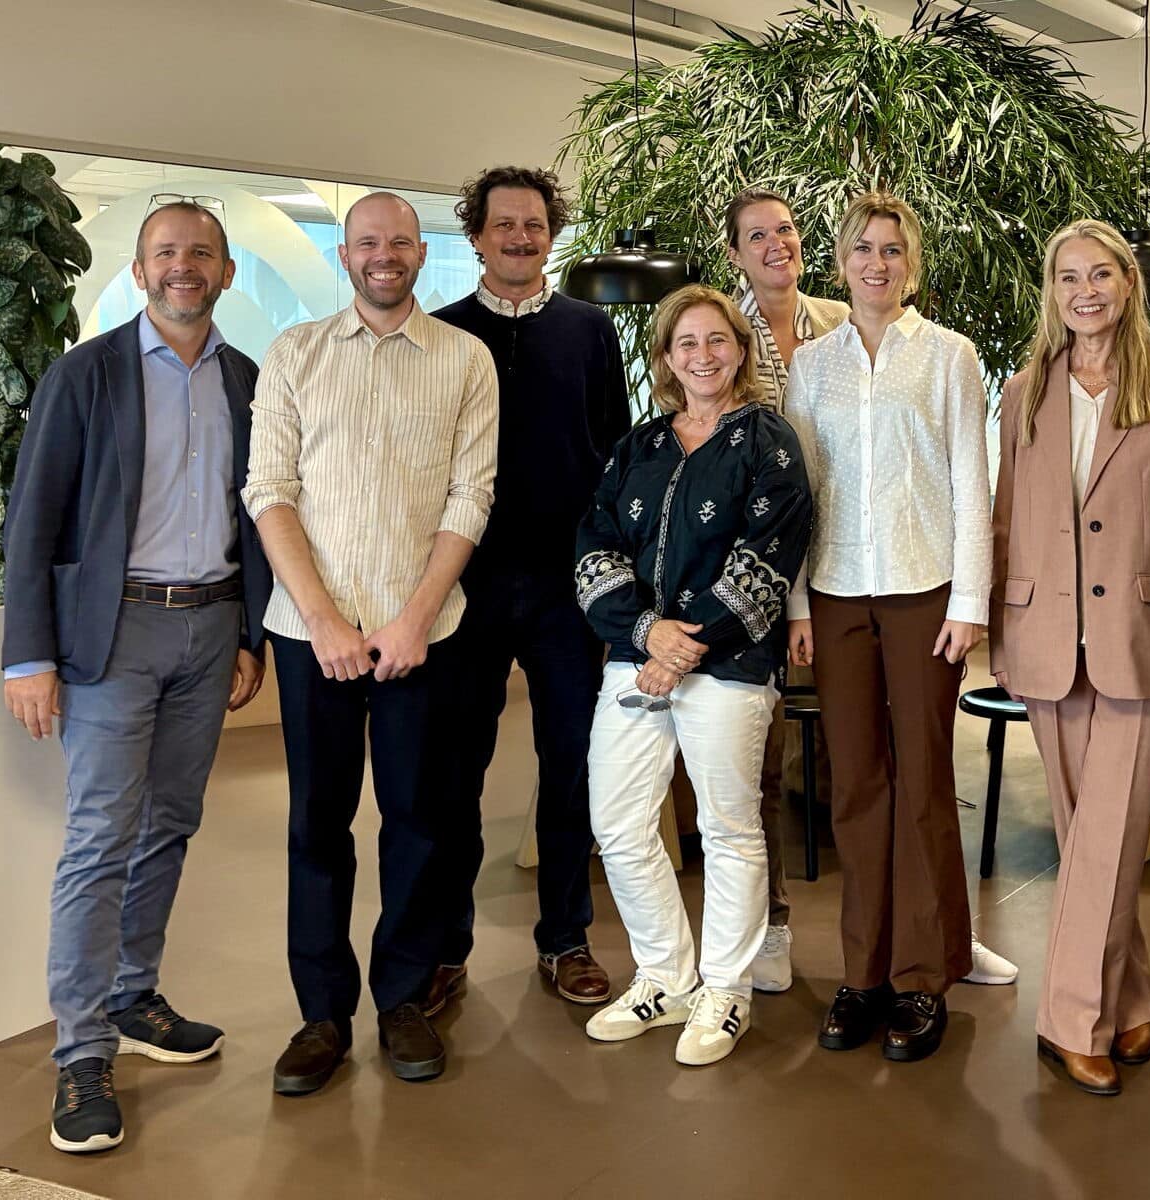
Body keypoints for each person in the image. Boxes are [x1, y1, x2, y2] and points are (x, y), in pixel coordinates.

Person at [3, 200, 271, 1153]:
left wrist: (252, 636)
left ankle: (133, 997)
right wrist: (29, 653)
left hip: (210, 632)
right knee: (98, 839)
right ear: (140, 268)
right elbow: (33, 516)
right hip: (110, 638)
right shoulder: (87, 374)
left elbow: (262, 515)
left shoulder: (248, 380)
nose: (183, 267)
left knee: (170, 824)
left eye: (201, 253)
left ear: (227, 271)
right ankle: (80, 1054)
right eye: (166, 253)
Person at [243, 192, 499, 1096]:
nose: (383, 255)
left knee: (419, 823)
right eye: (367, 243)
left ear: (420, 254)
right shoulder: (295, 354)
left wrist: (412, 620)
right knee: (317, 826)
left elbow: (471, 499)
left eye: (398, 241)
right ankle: (320, 1015)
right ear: (346, 255)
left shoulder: (465, 360)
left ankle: (402, 999)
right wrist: (320, 620)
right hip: (311, 635)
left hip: (421, 637)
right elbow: (268, 488)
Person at [989, 220, 1150, 1097]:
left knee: (1111, 833)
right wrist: (1005, 631)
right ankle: (1125, 1001)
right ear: (1053, 290)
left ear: (1128, 284)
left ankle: (1068, 1017)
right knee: (1095, 839)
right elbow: (1008, 515)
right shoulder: (1024, 391)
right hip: (1047, 640)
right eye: (1068, 277)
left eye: (1101, 275)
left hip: (1145, 640)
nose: (1085, 291)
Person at [783, 190, 1002, 1063]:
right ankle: (862, 974)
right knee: (856, 787)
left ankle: (922, 976)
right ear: (841, 262)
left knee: (922, 781)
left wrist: (970, 604)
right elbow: (798, 493)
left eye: (894, 250)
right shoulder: (813, 365)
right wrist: (797, 604)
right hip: (835, 591)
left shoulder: (949, 356)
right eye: (864, 249)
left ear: (913, 264)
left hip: (924, 591)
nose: (878, 263)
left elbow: (970, 480)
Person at [573, 285, 812, 1066]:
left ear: (740, 350)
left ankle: (726, 990)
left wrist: (683, 646)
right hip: (634, 661)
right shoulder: (637, 447)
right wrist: (645, 634)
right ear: (666, 359)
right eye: (686, 344)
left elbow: (769, 555)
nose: (703, 355)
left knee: (728, 828)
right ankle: (663, 976)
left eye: (717, 340)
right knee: (617, 822)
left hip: (732, 666)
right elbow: (594, 546)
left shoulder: (769, 441)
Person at [428, 166, 626, 1016]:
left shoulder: (589, 331)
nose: (519, 237)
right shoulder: (439, 336)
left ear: (553, 234)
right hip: (462, 588)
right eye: (503, 224)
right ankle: (443, 948)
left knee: (572, 766)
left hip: (566, 587)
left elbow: (618, 456)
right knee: (453, 773)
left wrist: (617, 577)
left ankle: (566, 938)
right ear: (475, 236)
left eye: (534, 224)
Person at [723, 187, 847, 992]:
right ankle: (769, 924)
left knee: (885, 750)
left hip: (848, 561)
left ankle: (920, 926)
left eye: (788, 230)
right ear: (734, 254)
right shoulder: (718, 334)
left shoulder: (842, 319)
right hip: (756, 575)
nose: (778, 245)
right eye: (758, 236)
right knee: (758, 764)